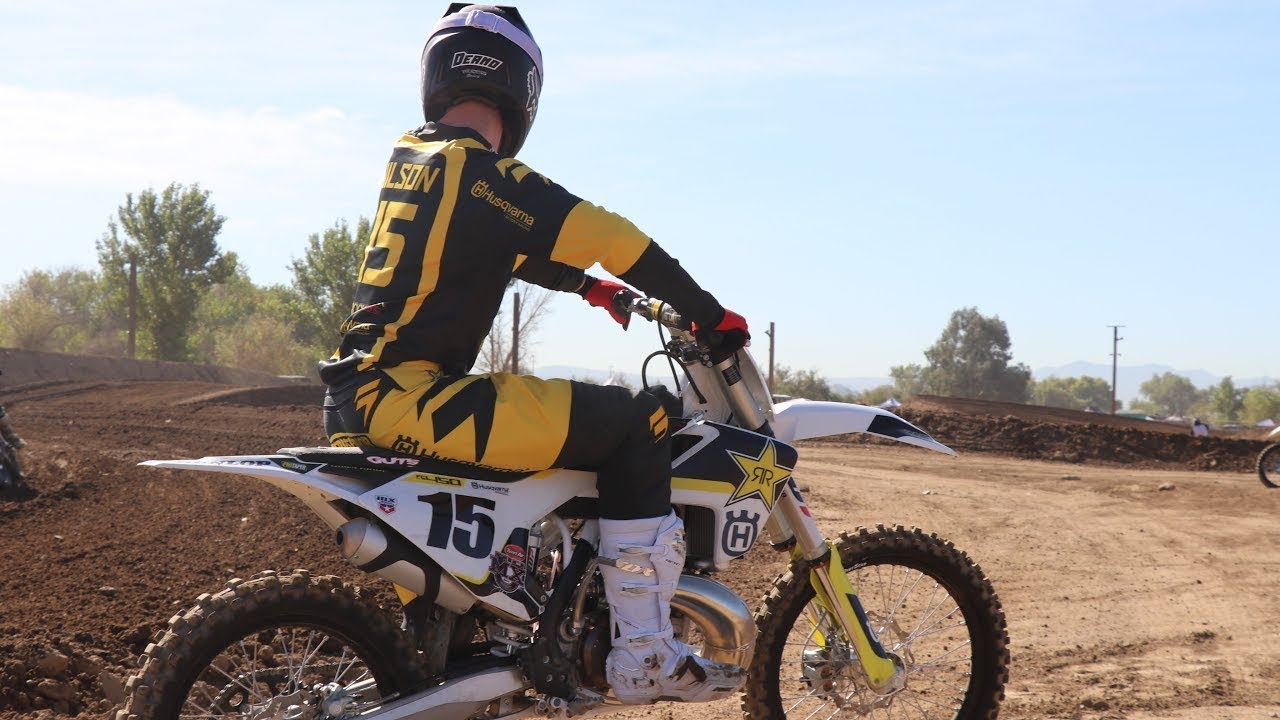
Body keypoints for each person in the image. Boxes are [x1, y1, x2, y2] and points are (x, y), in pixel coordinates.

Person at [319, 4, 749, 704]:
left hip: (355, 400)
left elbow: (497, 246)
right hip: (413, 401)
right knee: (638, 421)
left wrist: (590, 289)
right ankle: (643, 650)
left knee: (455, 612)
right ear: (523, 90)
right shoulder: (484, 173)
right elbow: (613, 236)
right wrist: (708, 313)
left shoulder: (417, 157)